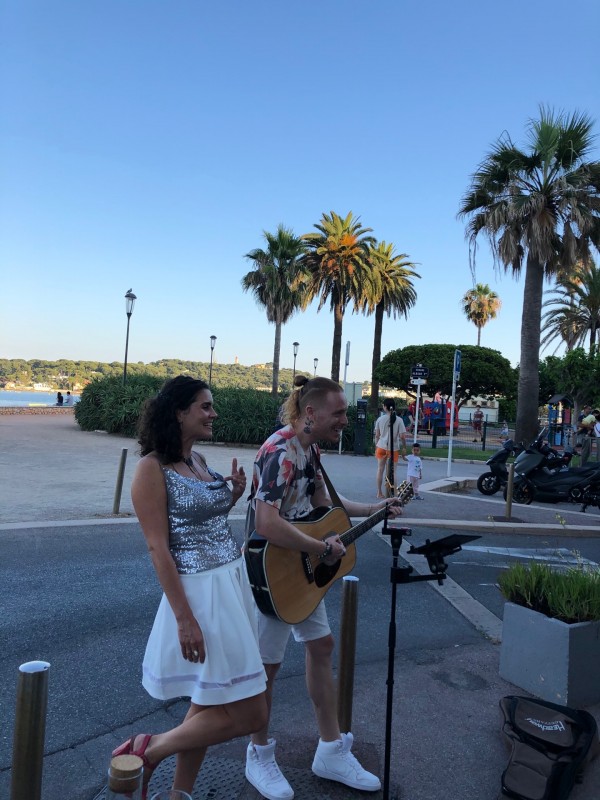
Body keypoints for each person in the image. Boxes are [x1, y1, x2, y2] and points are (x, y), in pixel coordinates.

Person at [245, 375, 403, 799]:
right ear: (310, 413)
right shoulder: (280, 451)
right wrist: (320, 545)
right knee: (268, 667)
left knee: (322, 647)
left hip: (304, 566)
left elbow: (325, 505)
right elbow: (266, 522)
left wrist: (378, 507)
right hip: (274, 574)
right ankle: (258, 754)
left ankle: (330, 750)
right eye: (339, 413)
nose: (345, 421)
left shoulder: (310, 449)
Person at [113, 375, 267, 799]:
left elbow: (204, 518)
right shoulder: (150, 469)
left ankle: (179, 793)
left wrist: (232, 494)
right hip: (201, 595)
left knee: (208, 703)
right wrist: (184, 618)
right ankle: (152, 748)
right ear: (178, 413)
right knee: (252, 712)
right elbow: (158, 549)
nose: (214, 413)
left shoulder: (197, 461)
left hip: (230, 585)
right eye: (205, 406)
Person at [373, 398, 407, 498]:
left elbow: (377, 435)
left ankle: (379, 492)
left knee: (380, 469)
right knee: (393, 472)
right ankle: (392, 493)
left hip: (381, 446)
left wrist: (376, 445)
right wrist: (404, 447)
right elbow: (402, 436)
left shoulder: (380, 419)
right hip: (394, 448)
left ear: (384, 407)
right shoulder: (399, 420)